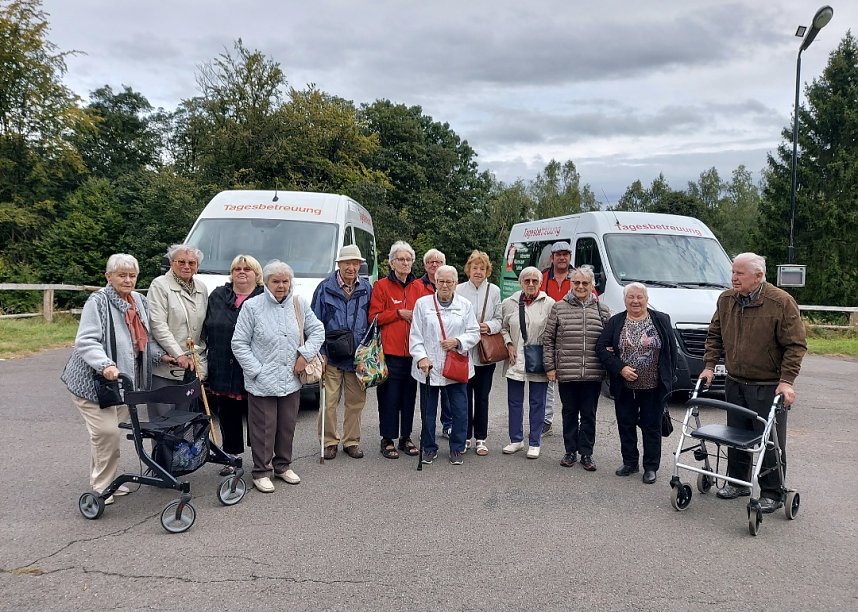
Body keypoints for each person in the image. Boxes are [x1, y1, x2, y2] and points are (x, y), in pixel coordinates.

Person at [699, 252, 807, 513]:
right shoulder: (726, 300)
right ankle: (738, 483)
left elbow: (795, 345)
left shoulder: (780, 302)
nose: (733, 278)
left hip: (768, 385)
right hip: (735, 382)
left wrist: (786, 381)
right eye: (733, 272)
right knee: (736, 436)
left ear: (758, 276)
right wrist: (709, 366)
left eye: (740, 273)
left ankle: (773, 491)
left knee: (769, 440)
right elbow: (714, 335)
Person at [61, 254, 171, 504]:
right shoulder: (97, 302)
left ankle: (106, 479)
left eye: (132, 275)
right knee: (107, 433)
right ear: (108, 276)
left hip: (122, 385)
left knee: (105, 437)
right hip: (93, 384)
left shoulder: (139, 301)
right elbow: (86, 341)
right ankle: (101, 487)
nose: (128, 280)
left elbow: (145, 342)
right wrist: (105, 365)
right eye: (122, 275)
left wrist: (163, 358)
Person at [231, 260, 324, 493]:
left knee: (286, 425)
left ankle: (283, 466)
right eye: (276, 281)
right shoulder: (252, 307)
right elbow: (239, 343)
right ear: (267, 282)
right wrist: (257, 371)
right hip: (262, 380)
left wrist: (305, 355)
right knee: (264, 427)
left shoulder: (298, 303)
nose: (281, 285)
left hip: (291, 378)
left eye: (285, 281)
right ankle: (261, 471)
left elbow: (318, 330)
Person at [596, 282, 676, 484]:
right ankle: (630, 462)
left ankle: (651, 467)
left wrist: (669, 378)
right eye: (631, 297)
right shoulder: (616, 322)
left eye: (639, 297)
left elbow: (671, 351)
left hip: (653, 386)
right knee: (626, 424)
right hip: (624, 387)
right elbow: (601, 347)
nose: (635, 301)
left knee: (652, 427)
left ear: (647, 299)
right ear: (625, 300)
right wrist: (620, 368)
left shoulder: (661, 320)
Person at [410, 265, 480, 465]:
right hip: (429, 367)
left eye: (449, 282)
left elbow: (474, 332)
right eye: (441, 281)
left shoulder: (465, 305)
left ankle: (457, 448)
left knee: (460, 410)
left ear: (456, 283)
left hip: (455, 367)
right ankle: (429, 447)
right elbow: (415, 334)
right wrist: (421, 357)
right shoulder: (423, 304)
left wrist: (457, 341)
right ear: (435, 282)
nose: (445, 285)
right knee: (428, 411)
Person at [202, 254, 264, 475]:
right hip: (222, 365)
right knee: (228, 414)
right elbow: (204, 328)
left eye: (247, 269)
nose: (241, 272)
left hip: (254, 367)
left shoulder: (265, 297)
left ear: (257, 275)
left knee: (258, 417)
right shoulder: (218, 295)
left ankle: (261, 458)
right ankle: (231, 457)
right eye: (237, 268)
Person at [544, 266, 609, 471]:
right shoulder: (558, 307)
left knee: (589, 415)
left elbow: (609, 342)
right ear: (571, 284)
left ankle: (587, 454)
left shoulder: (602, 310)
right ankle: (570, 451)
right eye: (576, 283)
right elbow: (548, 339)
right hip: (567, 371)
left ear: (592, 285)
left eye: (585, 283)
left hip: (592, 372)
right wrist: (550, 367)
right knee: (569, 412)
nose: (580, 287)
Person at [311, 244, 373, 460]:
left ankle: (351, 441)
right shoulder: (324, 288)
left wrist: (369, 352)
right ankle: (329, 441)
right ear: (339, 265)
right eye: (348, 263)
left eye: (356, 263)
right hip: (332, 354)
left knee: (356, 402)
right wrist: (320, 352)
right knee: (328, 402)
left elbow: (373, 321)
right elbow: (314, 323)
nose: (352, 267)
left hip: (357, 357)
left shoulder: (366, 288)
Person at [368, 241, 426, 459]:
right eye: (400, 259)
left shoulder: (418, 287)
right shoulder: (381, 286)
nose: (405, 263)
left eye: (408, 259)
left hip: (412, 354)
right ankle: (387, 438)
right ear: (392, 262)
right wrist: (397, 313)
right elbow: (373, 318)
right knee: (389, 398)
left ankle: (406, 437)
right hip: (389, 353)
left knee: (409, 398)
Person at [500, 266, 556, 459]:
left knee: (537, 402)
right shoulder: (509, 303)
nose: (531, 284)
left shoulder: (549, 303)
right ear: (520, 283)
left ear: (541, 283)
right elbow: (503, 327)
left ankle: (534, 442)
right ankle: (515, 440)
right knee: (514, 401)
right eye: (527, 280)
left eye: (535, 281)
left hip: (538, 357)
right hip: (516, 359)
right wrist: (508, 343)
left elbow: (554, 332)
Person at [147, 244, 208, 416]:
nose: (186, 266)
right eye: (181, 261)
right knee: (164, 422)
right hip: (165, 367)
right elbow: (158, 325)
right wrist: (178, 354)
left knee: (185, 419)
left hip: (192, 366)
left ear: (197, 266)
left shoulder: (201, 288)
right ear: (172, 263)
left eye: (192, 262)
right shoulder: (159, 285)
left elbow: (202, 327)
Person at [456, 250, 502, 456]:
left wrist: (488, 326)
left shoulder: (494, 291)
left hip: (485, 354)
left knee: (482, 397)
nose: (478, 271)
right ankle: (465, 436)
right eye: (474, 268)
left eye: (482, 268)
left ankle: (481, 438)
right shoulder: (458, 290)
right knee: (464, 397)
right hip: (464, 353)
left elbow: (500, 319)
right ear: (468, 270)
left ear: (487, 271)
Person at [539, 240, 573, 435]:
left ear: (570, 257)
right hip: (548, 335)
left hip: (571, 337)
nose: (562, 257)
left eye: (565, 254)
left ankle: (574, 422)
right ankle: (546, 420)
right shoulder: (542, 277)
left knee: (572, 383)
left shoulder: (578, 278)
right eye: (558, 254)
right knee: (548, 380)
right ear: (552, 258)